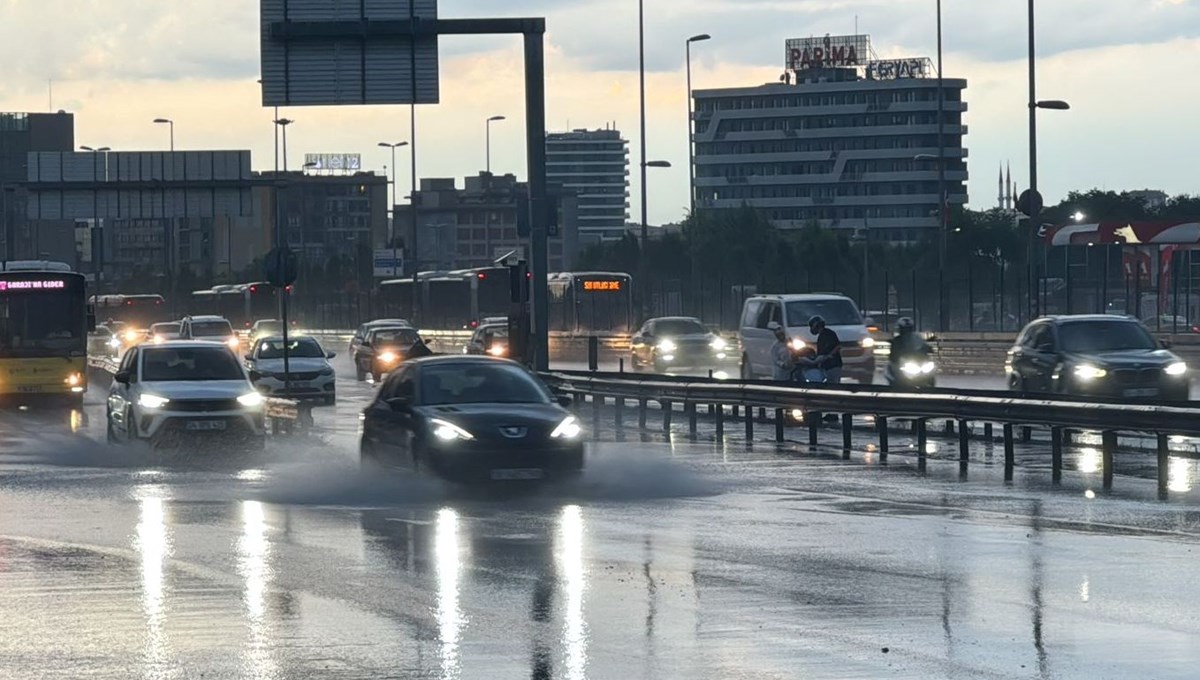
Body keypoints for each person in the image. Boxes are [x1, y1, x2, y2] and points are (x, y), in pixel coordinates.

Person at [809, 315, 843, 384]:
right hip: (829, 366)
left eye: (812, 326)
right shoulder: (824, 334)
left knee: (833, 386)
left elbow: (837, 346)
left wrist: (828, 355)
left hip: (832, 365)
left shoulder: (827, 334)